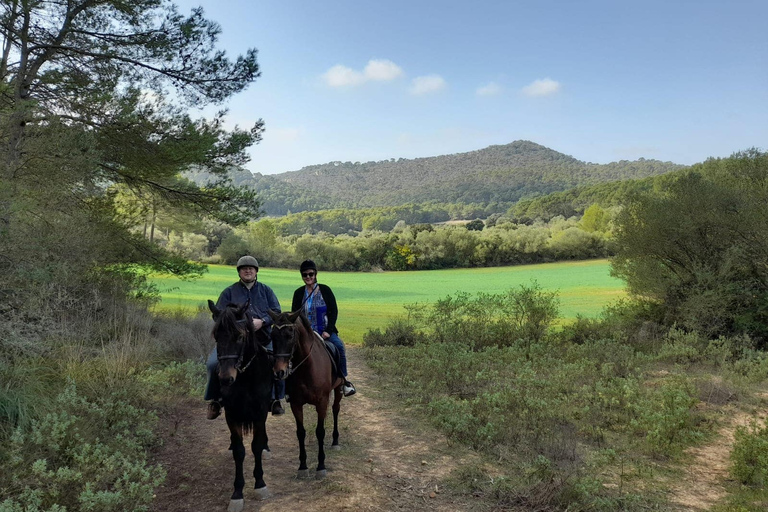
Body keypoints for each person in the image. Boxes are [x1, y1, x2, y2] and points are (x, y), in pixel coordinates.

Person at [205, 255, 286, 419]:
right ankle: (216, 400)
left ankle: (275, 399)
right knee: (213, 364)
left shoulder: (266, 291)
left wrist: (262, 321)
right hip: (234, 341)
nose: (247, 270)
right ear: (239, 272)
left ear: (256, 272)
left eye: (251, 268)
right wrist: (234, 324)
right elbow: (218, 316)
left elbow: (277, 312)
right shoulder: (228, 292)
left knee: (276, 363)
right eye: (244, 268)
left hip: (263, 338)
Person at [291, 260, 356, 397]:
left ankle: (344, 381)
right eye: (305, 275)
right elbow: (294, 315)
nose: (308, 277)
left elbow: (333, 311)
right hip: (305, 334)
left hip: (324, 331)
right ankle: (289, 386)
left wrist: (329, 330)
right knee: (289, 352)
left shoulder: (325, 290)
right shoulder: (298, 293)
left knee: (339, 346)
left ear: (315, 274)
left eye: (311, 274)